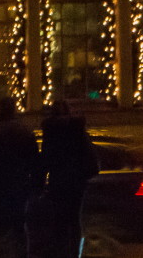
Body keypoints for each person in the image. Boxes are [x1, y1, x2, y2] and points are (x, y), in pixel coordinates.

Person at [30, 100, 99, 258]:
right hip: (76, 182)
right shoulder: (77, 129)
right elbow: (89, 156)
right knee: (74, 219)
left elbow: (45, 158)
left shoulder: (51, 130)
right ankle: (75, 253)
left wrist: (38, 184)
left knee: (59, 220)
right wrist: (84, 175)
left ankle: (61, 252)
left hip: (58, 181)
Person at [0, 97, 38, 249]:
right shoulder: (25, 130)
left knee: (0, 226)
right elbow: (35, 160)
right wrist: (36, 183)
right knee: (20, 226)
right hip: (19, 183)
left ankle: (2, 252)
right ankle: (22, 254)